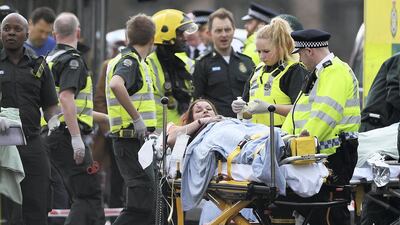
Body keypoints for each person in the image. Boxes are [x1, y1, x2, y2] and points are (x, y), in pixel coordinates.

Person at [278, 29, 360, 225]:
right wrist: (285, 137)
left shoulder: (335, 71)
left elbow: (327, 111)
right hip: (321, 153)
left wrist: (306, 137)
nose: (299, 59)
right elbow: (301, 112)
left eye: (299, 54)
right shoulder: (319, 74)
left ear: (309, 51)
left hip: (335, 153)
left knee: (330, 212)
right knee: (317, 212)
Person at [45, 12, 105, 225]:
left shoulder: (48, 60)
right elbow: (66, 98)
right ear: (78, 32)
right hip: (65, 135)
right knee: (88, 194)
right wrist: (76, 138)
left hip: (51, 135)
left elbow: (73, 105)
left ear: (54, 34)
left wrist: (103, 118)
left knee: (73, 194)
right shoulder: (72, 60)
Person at [0, 12, 60, 225]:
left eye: (17, 29)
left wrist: (53, 122)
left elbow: (51, 105)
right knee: (9, 209)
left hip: (32, 142)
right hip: (3, 145)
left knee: (38, 200)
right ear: (1, 33)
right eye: (7, 28)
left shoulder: (39, 64)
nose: (11, 33)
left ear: (26, 33)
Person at [105, 13, 157, 225]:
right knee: (141, 203)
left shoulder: (131, 61)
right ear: (152, 40)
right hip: (129, 141)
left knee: (145, 202)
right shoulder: (130, 61)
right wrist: (137, 119)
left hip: (133, 142)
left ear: (128, 37)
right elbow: (116, 85)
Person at [231, 17, 308, 127]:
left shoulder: (294, 70)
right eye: (258, 51)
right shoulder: (258, 70)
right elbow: (248, 113)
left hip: (284, 135)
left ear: (281, 47)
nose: (262, 57)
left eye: (266, 51)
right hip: (258, 135)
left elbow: (301, 109)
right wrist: (242, 109)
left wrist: (271, 108)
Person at [358, 53, 400, 225]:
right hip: (379, 130)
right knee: (378, 197)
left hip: (382, 130)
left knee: (378, 200)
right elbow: (395, 95)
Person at [193, 8, 255, 118]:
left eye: (227, 29)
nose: (224, 35)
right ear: (209, 33)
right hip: (217, 127)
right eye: (218, 30)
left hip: (246, 125)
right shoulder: (202, 64)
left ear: (234, 30)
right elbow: (197, 101)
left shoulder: (247, 62)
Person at [147, 9, 197, 129]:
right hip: (158, 137)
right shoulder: (147, 65)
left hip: (184, 134)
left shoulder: (186, 63)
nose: (185, 38)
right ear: (165, 35)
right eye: (180, 34)